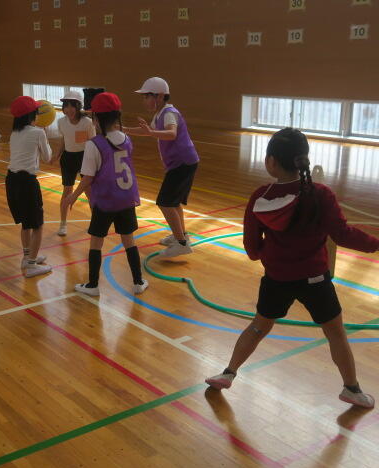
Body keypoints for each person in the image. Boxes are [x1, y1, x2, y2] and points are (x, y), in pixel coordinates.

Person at [205, 128, 379, 409]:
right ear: (303, 159)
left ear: (271, 162)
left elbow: (251, 249)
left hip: (276, 279)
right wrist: (376, 245)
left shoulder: (261, 197)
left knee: (258, 327)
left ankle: (228, 373)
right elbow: (343, 234)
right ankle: (351, 389)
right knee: (336, 334)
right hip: (316, 280)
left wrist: (267, 254)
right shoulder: (321, 194)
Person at [62, 92, 148, 296]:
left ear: (96, 118)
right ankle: (138, 281)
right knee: (129, 240)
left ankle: (93, 285)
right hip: (126, 199)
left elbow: (88, 178)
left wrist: (73, 195)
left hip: (105, 201)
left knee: (96, 242)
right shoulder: (127, 139)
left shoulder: (93, 144)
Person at [126, 77, 199, 258]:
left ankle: (181, 244)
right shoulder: (160, 114)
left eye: (146, 96)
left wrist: (151, 132)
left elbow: (172, 133)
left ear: (159, 96)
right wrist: (124, 129)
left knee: (165, 202)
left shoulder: (169, 113)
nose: (144, 101)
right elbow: (146, 132)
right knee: (174, 202)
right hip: (184, 163)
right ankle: (181, 236)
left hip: (183, 163)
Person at [7, 96, 53, 278]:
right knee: (37, 225)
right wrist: (45, 136)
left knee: (26, 224)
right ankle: (32, 265)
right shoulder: (38, 132)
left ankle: (27, 257)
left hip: (11, 181)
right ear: (31, 115)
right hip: (27, 182)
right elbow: (47, 158)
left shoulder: (14, 133)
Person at [55, 90, 95, 236]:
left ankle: (95, 223)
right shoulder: (61, 122)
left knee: (89, 192)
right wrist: (57, 154)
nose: (69, 109)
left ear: (78, 106)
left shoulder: (87, 123)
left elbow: (92, 142)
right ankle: (63, 224)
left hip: (84, 157)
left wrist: (94, 161)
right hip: (68, 159)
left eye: (72, 105)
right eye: (66, 106)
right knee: (67, 191)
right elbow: (63, 140)